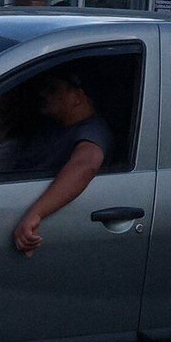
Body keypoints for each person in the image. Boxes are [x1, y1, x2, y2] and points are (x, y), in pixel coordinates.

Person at [12, 68, 114, 257]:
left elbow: (86, 165)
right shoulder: (51, 125)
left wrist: (36, 214)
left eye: (52, 89)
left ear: (78, 96)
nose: (42, 94)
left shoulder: (93, 131)